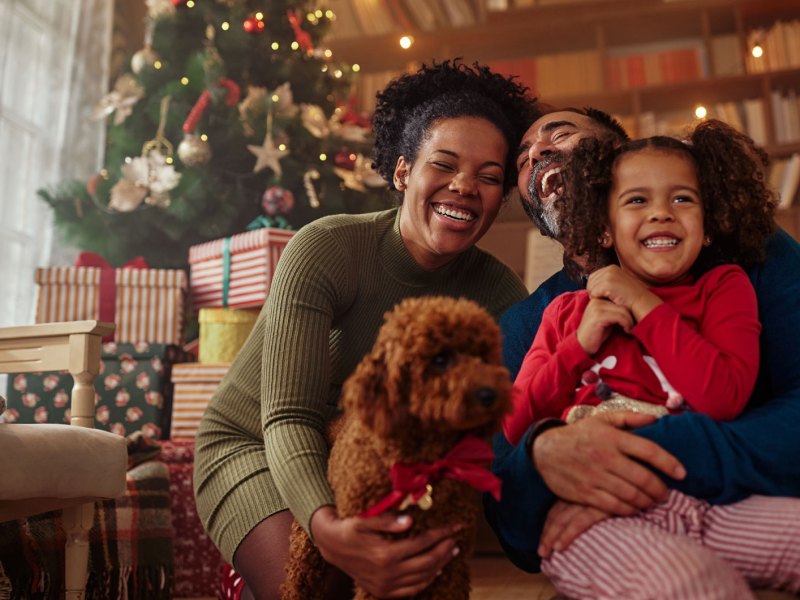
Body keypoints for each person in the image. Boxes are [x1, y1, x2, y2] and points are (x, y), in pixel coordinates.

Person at [193, 60, 537, 600]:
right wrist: (326, 527)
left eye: (489, 177)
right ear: (403, 172)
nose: (465, 187)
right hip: (254, 445)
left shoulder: (500, 296)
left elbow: (502, 426)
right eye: (443, 164)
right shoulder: (326, 249)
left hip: (380, 461)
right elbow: (288, 415)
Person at [485, 107, 800, 590]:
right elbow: (508, 505)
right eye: (523, 159)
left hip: (729, 503)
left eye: (561, 135)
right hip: (610, 536)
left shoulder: (744, 255)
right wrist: (543, 455)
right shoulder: (535, 320)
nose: (538, 152)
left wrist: (646, 450)